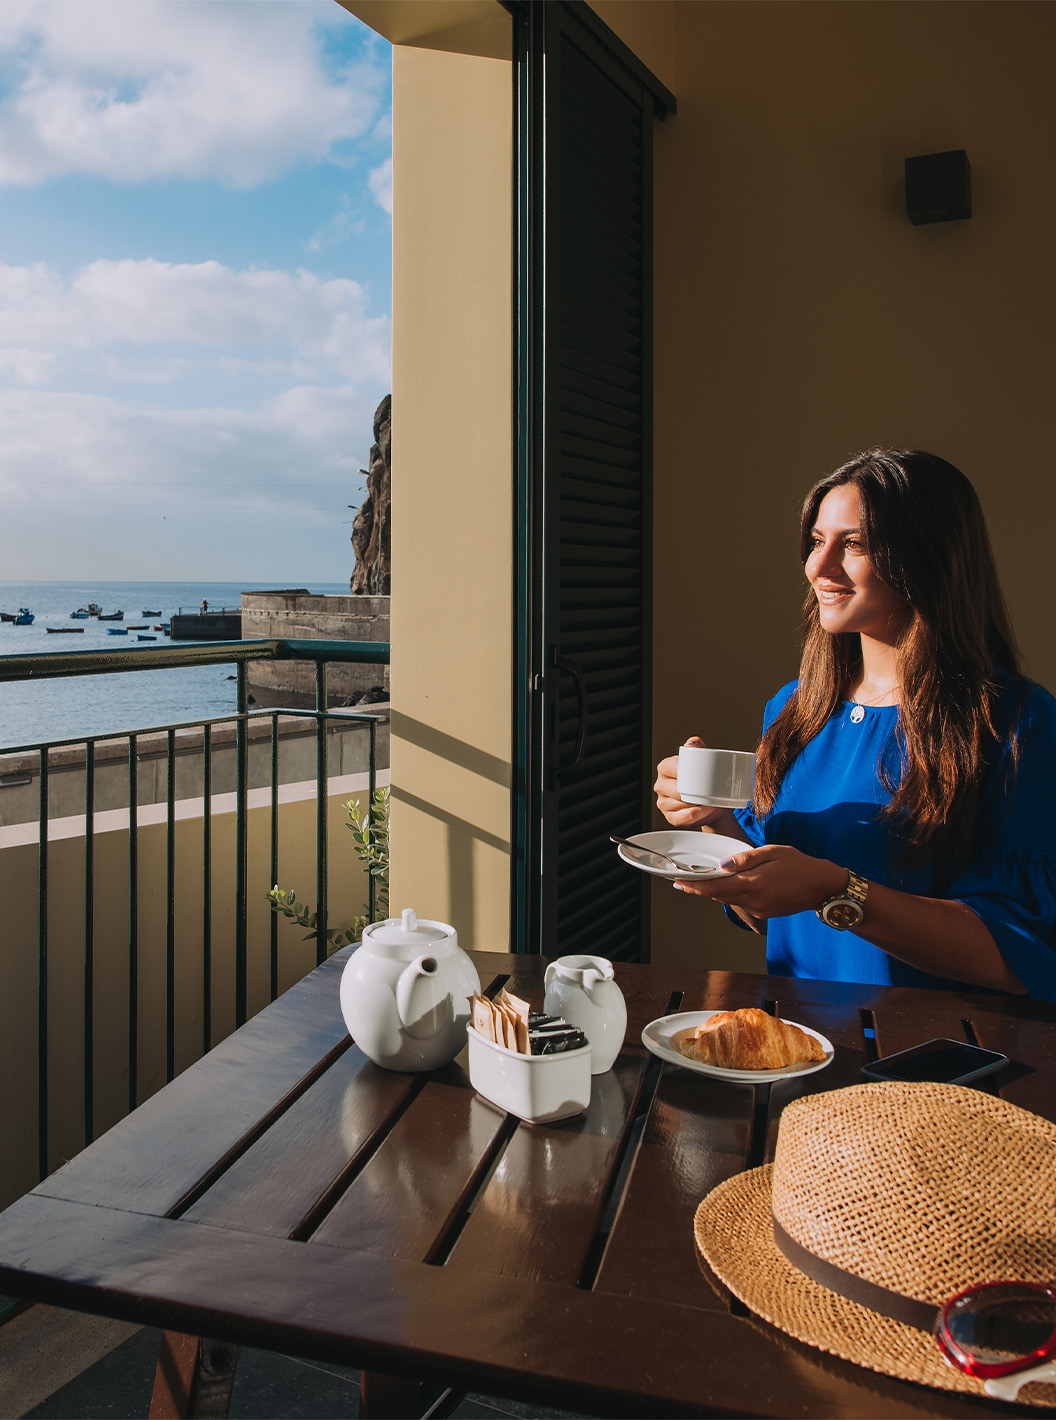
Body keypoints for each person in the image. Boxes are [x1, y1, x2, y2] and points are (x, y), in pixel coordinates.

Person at [654, 448, 1056, 999]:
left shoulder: (1015, 722)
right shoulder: (794, 709)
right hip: (801, 1045)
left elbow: (1018, 954)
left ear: (928, 556)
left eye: (855, 543)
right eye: (818, 541)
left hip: (935, 1064)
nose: (818, 567)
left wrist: (836, 889)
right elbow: (770, 919)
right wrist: (717, 824)